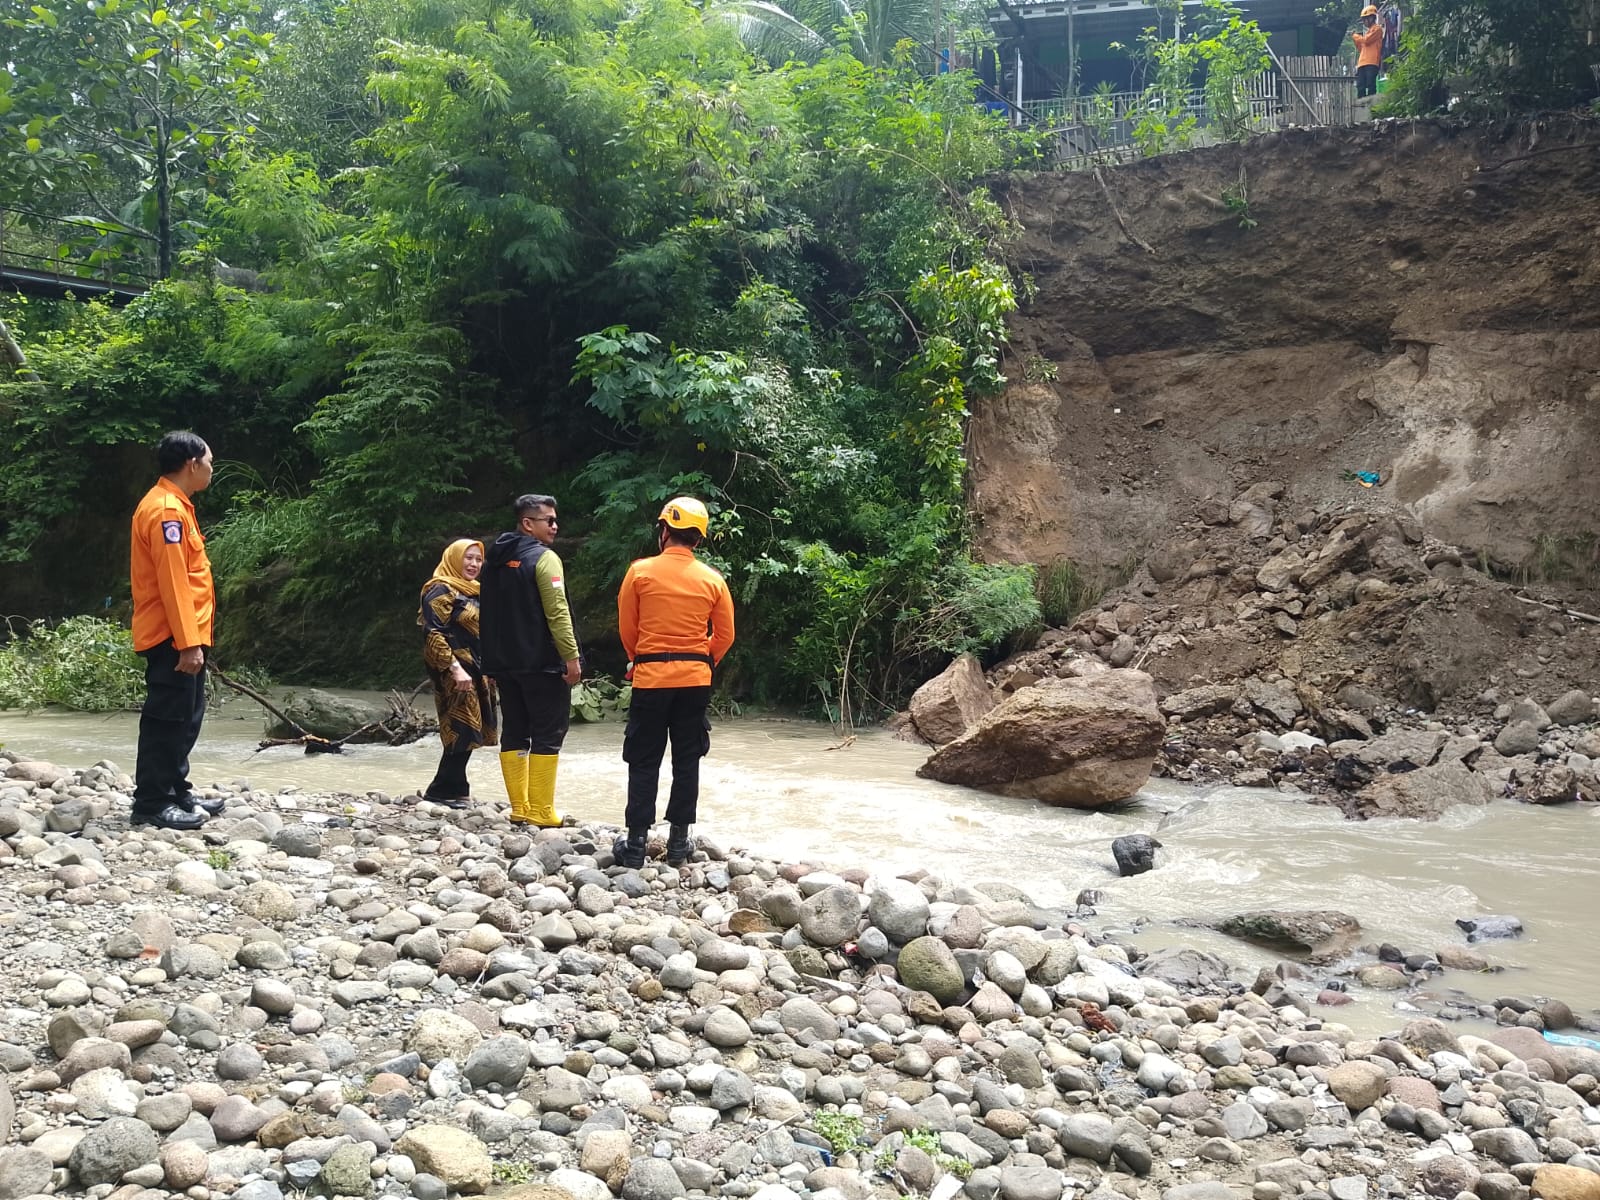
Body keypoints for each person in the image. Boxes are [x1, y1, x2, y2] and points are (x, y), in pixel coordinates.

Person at [614, 497, 735, 868]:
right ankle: (679, 843)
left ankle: (636, 844)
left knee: (644, 757)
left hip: (650, 679)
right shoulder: (713, 580)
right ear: (698, 539)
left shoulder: (639, 572)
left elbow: (628, 628)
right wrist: (703, 660)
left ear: (664, 531)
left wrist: (642, 657)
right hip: (694, 681)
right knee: (687, 758)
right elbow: (726, 635)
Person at [129, 431, 220, 830]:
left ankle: (176, 789)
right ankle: (152, 801)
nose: (212, 469)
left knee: (187, 715)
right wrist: (187, 644)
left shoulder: (176, 505)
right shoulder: (166, 510)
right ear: (192, 464)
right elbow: (174, 583)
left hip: (184, 633)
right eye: (210, 462)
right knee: (167, 718)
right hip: (172, 635)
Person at [479, 494, 581, 827]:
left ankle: (519, 808)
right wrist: (571, 656)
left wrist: (489, 662)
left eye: (555, 519)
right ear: (527, 523)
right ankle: (541, 810)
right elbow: (557, 612)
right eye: (548, 520)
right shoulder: (545, 559)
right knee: (549, 732)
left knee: (516, 731)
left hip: (505, 663)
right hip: (541, 662)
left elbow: (489, 614)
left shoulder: (493, 560)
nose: (555, 525)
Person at [418, 538, 498, 808]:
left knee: (474, 728)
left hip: (477, 668)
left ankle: (452, 785)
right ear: (454, 558)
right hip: (453, 669)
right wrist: (453, 668)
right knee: (460, 727)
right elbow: (433, 632)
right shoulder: (440, 588)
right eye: (468, 558)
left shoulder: (475, 590)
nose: (474, 564)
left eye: (478, 559)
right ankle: (443, 788)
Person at [1353, 5, 1383, 99]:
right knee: (1360, 85)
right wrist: (1356, 39)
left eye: (1365, 19)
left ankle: (1371, 104)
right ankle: (1361, 105)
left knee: (1370, 84)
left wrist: (1356, 36)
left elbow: (1366, 40)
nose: (1364, 22)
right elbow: (1361, 48)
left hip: (1372, 62)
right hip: (1362, 62)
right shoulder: (1368, 32)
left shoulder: (1377, 29)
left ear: (1372, 18)